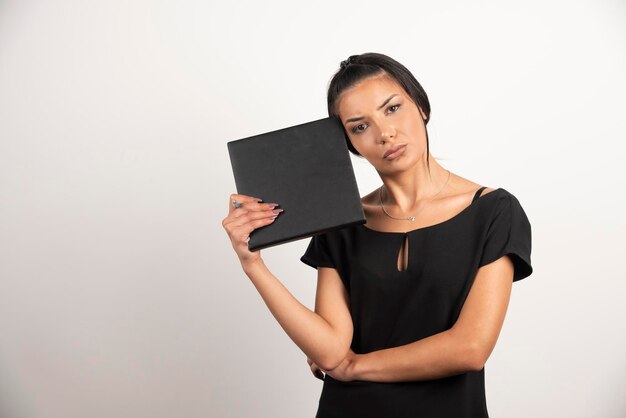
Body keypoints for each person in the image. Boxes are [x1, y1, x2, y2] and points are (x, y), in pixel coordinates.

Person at [222, 52, 533, 418]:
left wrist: (356, 367)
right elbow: (330, 351)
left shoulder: (493, 211)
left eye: (392, 108)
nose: (385, 133)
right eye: (360, 126)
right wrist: (252, 263)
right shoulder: (341, 224)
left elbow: (471, 347)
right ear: (351, 145)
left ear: (421, 106)